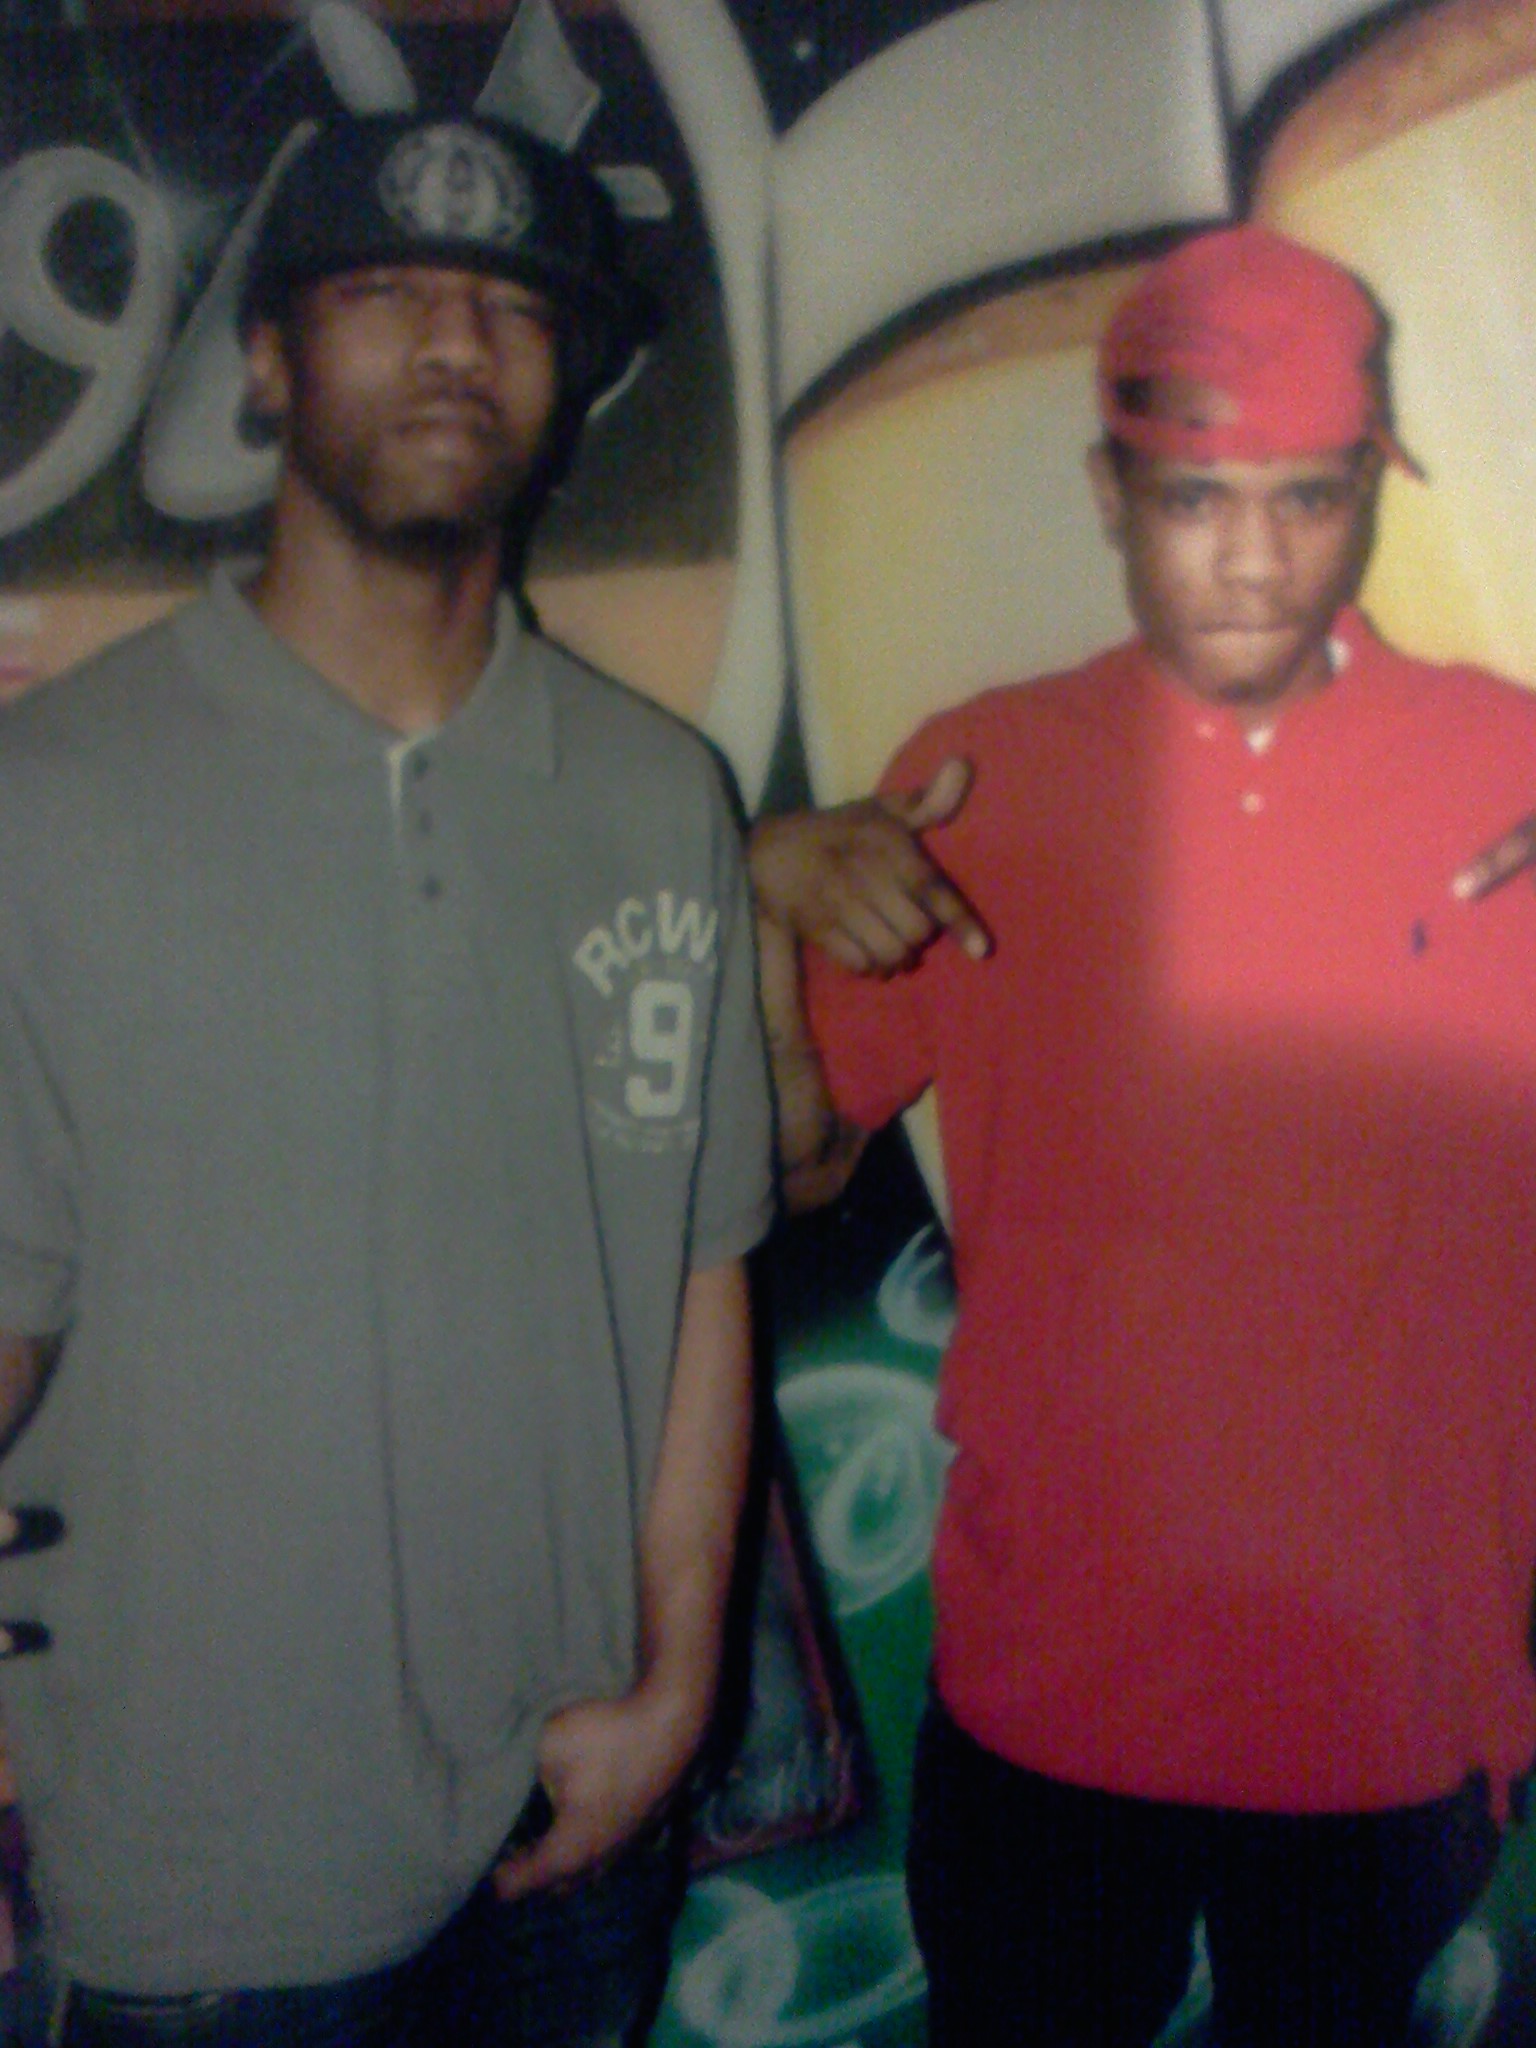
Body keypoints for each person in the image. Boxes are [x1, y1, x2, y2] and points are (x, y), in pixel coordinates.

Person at [0, 110, 773, 2047]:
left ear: (568, 383)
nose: (451, 341)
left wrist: (678, 1679)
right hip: (199, 1860)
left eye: (511, 306)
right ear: (266, 361)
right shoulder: (50, 799)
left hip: (567, 1811)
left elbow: (695, 1268)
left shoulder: (653, 794)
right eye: (384, 293)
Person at [750, 224, 1536, 2048]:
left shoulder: (1504, 773)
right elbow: (799, 1163)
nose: (1257, 557)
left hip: (1386, 1697)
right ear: (1110, 492)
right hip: (1054, 1684)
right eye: (1197, 498)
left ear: (1369, 490)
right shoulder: (984, 773)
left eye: (1307, 494)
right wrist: (765, 904)